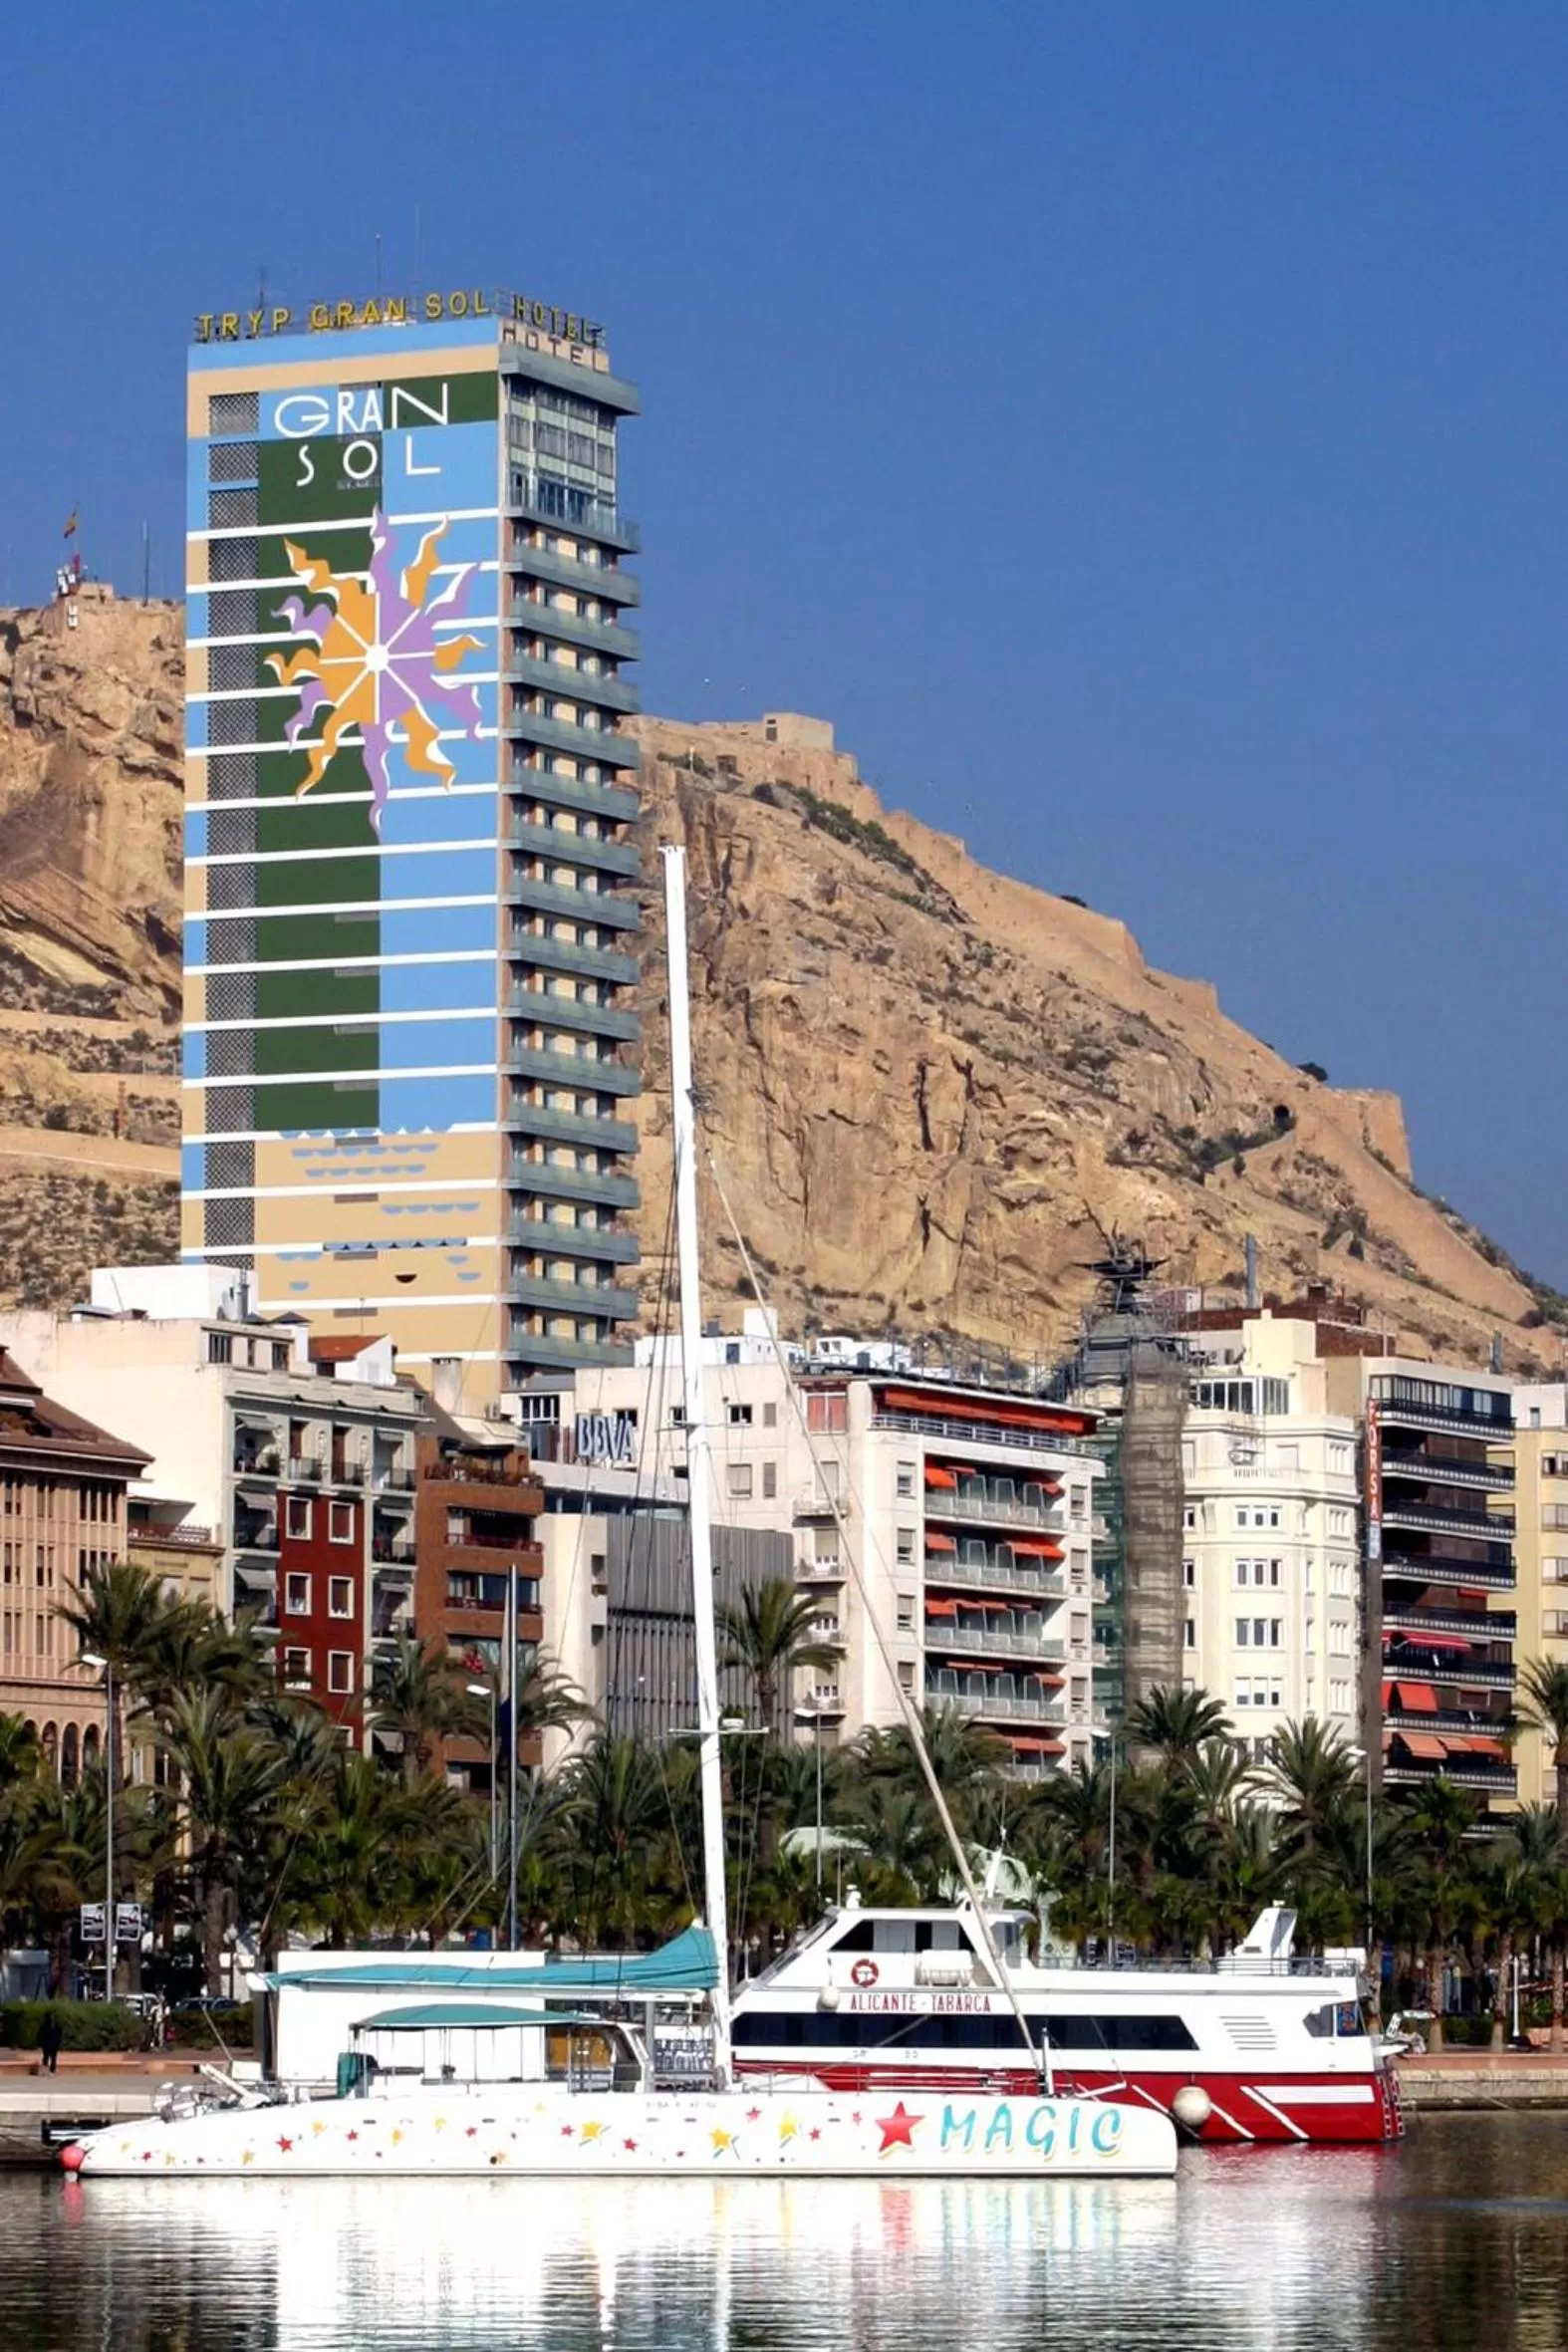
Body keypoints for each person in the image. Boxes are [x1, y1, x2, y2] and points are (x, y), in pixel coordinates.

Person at [39, 2009, 63, 2076]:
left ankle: (52, 2070)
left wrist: (58, 2042)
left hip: (53, 2043)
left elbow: (59, 2034)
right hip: (48, 2043)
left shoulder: (56, 2025)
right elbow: (41, 2035)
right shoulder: (44, 2026)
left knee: (53, 2057)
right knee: (47, 2057)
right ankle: (46, 2069)